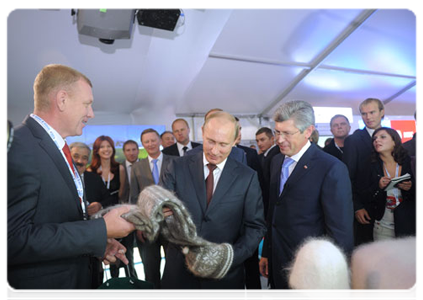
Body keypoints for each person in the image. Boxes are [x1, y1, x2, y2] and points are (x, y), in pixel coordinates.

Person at [5, 64, 134, 300]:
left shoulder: (57, 148)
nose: (91, 113)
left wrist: (97, 243)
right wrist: (100, 229)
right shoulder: (18, 147)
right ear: (62, 100)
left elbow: (53, 219)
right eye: (87, 104)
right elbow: (11, 240)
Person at [160, 111, 267, 300]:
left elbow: (255, 227)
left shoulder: (247, 177)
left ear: (236, 140)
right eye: (210, 141)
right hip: (179, 277)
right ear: (201, 132)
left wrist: (228, 258)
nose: (215, 151)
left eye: (223, 144)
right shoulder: (176, 166)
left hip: (224, 280)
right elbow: (162, 213)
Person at [259, 100, 353, 300]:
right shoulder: (276, 161)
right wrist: (267, 252)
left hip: (311, 271)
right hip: (278, 260)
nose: (279, 139)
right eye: (277, 132)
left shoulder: (330, 168)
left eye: (287, 133)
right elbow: (273, 211)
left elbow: (340, 232)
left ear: (308, 131)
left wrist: (330, 283)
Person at [130, 128, 173, 294]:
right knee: (150, 269)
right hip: (148, 226)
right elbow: (134, 198)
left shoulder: (175, 161)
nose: (150, 144)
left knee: (173, 268)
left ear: (160, 141)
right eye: (146, 141)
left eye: (153, 140)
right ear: (142, 144)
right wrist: (139, 225)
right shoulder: (137, 167)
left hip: (171, 224)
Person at [69, 141, 116, 290]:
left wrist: (100, 205)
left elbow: (111, 199)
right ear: (67, 156)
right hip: (69, 239)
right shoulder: (58, 179)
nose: (80, 161)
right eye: (76, 156)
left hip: (93, 238)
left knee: (95, 281)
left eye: (84, 158)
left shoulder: (94, 178)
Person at [343, 98, 385, 246]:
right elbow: (348, 177)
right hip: (366, 208)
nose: (368, 117)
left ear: (382, 112)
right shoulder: (353, 141)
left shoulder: (392, 137)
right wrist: (357, 206)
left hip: (391, 207)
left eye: (372, 112)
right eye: (364, 113)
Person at [367, 127, 419, 240]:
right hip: (383, 226)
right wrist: (378, 186)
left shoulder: (412, 162)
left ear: (394, 141)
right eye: (374, 138)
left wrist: (412, 186)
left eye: (382, 137)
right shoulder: (371, 166)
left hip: (410, 223)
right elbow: (365, 193)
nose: (377, 140)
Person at [87, 135, 126, 277]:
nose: (106, 149)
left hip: (116, 215)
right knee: (99, 255)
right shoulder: (90, 171)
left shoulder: (119, 168)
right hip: (97, 218)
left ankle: (117, 285)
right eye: (102, 146)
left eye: (108, 146)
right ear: (96, 150)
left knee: (117, 254)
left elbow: (121, 194)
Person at [117, 139, 140, 278]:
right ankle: (131, 277)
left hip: (141, 213)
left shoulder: (144, 166)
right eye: (128, 150)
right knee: (127, 249)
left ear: (138, 150)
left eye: (134, 149)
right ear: (124, 152)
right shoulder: (119, 167)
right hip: (124, 215)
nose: (131, 153)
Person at [255, 127, 279, 217]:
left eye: (262, 140)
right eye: (257, 141)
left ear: (272, 139)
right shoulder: (264, 156)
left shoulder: (276, 155)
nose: (259, 143)